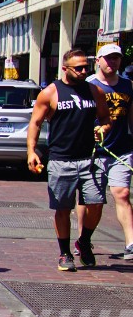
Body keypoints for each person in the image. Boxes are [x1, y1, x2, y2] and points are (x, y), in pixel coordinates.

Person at [27, 48, 112, 271]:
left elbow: (106, 118)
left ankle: (84, 241)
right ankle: (65, 253)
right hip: (61, 160)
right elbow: (35, 123)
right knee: (63, 208)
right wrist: (31, 152)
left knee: (96, 203)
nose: (85, 71)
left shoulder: (95, 91)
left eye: (87, 67)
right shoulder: (50, 93)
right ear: (65, 69)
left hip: (89, 159)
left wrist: (102, 128)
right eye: (79, 68)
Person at [77, 44, 133, 262]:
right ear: (98, 60)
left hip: (121, 149)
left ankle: (130, 243)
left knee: (122, 193)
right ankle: (83, 240)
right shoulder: (87, 85)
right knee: (92, 200)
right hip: (93, 152)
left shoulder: (128, 86)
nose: (113, 62)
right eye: (108, 58)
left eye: (116, 58)